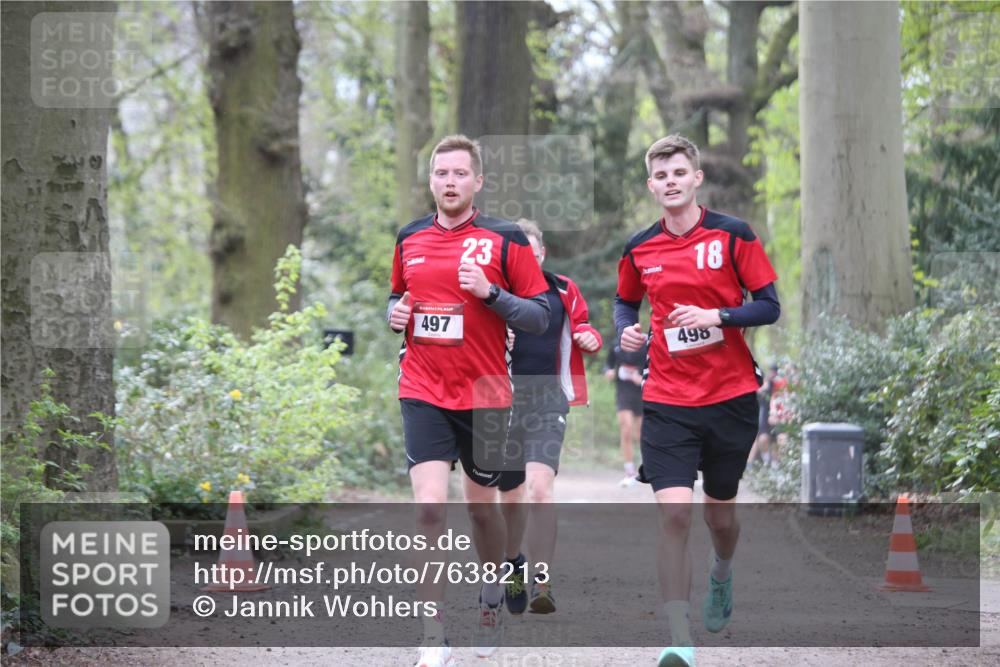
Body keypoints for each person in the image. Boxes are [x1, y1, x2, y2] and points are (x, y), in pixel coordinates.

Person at [615, 135, 780, 667]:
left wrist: (719, 317)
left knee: (720, 517)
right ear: (651, 185)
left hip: (730, 397)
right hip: (665, 399)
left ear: (695, 178)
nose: (670, 182)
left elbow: (769, 307)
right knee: (674, 517)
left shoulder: (734, 235)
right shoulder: (639, 247)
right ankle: (678, 636)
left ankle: (722, 575)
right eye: (661, 176)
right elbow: (624, 302)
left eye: (679, 173)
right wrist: (628, 332)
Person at [387, 135, 551, 667]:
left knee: (483, 512)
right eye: (441, 173)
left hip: (485, 393)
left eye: (460, 173)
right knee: (431, 506)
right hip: (423, 387)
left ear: (478, 181)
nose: (449, 182)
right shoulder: (409, 237)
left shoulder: (506, 240)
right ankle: (433, 636)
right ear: (431, 180)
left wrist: (491, 293)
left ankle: (490, 593)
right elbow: (398, 297)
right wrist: (394, 314)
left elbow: (540, 314)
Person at [496, 219, 602, 617]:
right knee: (510, 497)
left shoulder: (562, 289)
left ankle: (543, 581)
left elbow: (584, 324)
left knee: (540, 488)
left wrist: (590, 337)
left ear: (542, 252)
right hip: (501, 402)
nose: (528, 254)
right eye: (518, 249)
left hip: (547, 400)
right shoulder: (493, 292)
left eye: (533, 247)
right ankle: (514, 564)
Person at [604, 339, 648, 486]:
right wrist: (608, 371)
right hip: (623, 392)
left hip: (642, 392)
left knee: (641, 433)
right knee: (626, 428)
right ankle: (629, 470)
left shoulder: (646, 344)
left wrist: (641, 379)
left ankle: (647, 467)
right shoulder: (616, 345)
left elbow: (655, 368)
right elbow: (608, 364)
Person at [747, 363, 779, 468]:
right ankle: (757, 463)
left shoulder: (771, 385)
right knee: (759, 439)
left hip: (771, 416)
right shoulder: (753, 389)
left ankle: (773, 464)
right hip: (759, 417)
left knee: (772, 440)